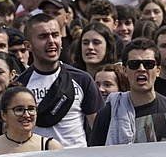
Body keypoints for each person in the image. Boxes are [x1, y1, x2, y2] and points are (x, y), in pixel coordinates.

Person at [17, 13, 102, 149]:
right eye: (43, 37)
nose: (51, 41)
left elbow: (100, 130)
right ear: (28, 46)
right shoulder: (19, 86)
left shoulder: (82, 79)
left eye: (55, 35)